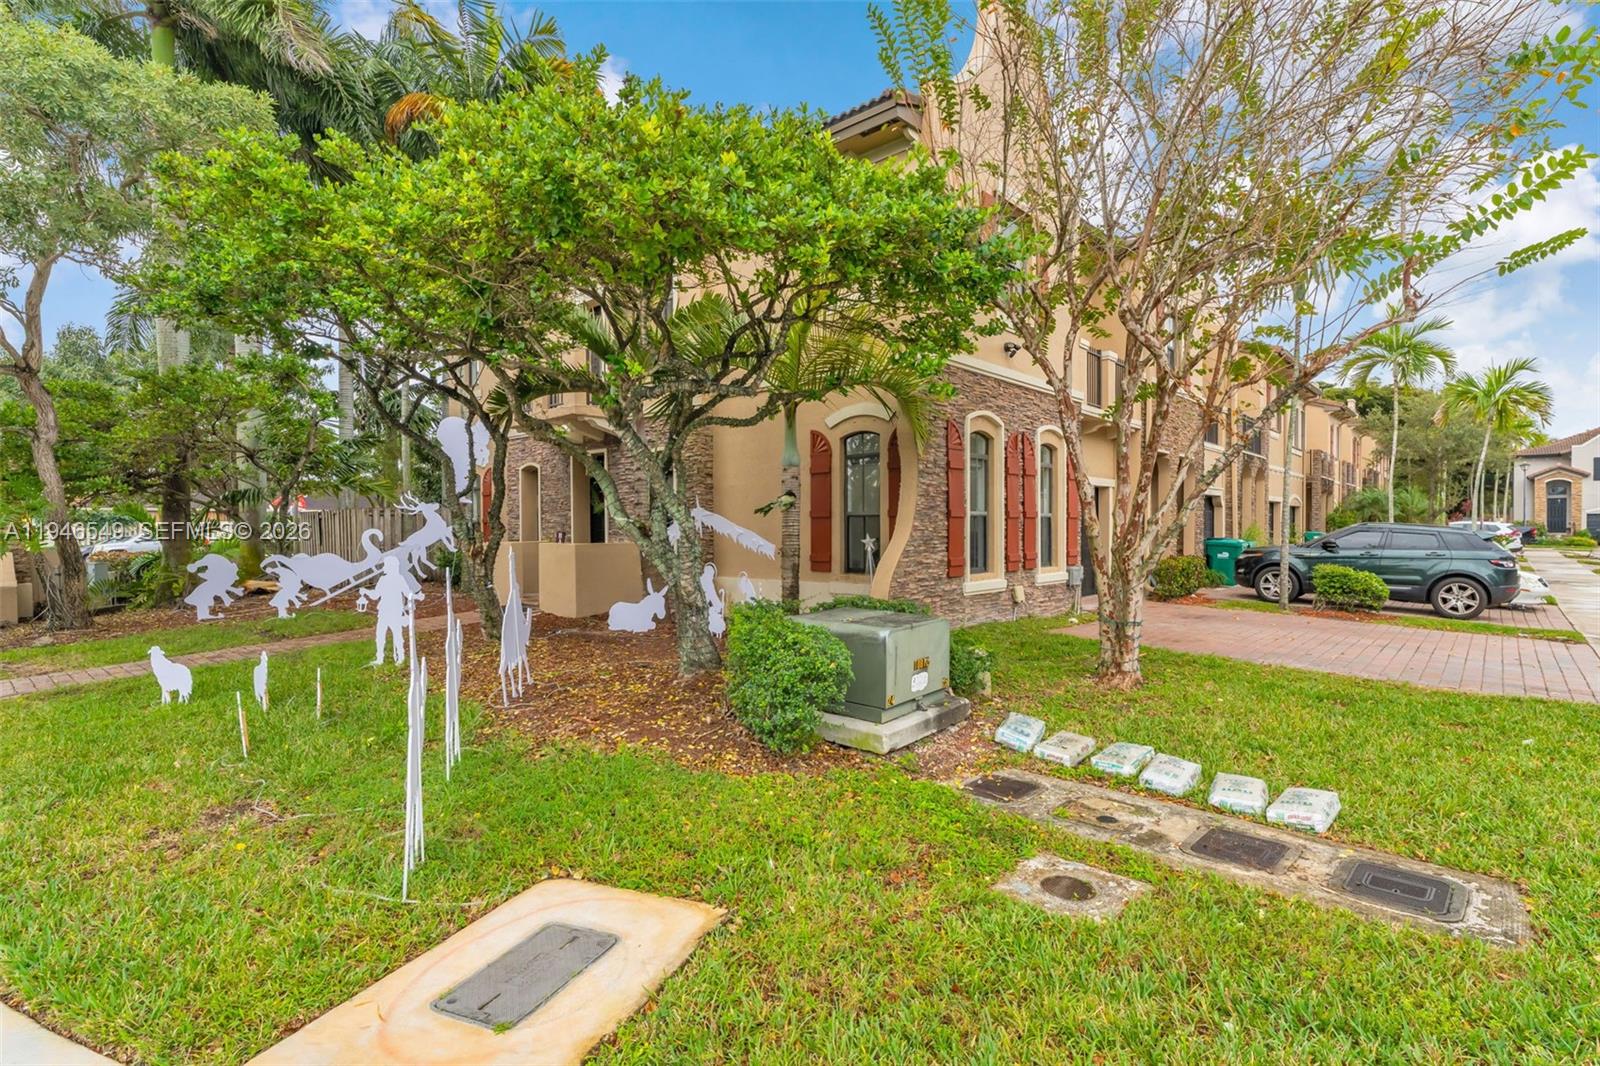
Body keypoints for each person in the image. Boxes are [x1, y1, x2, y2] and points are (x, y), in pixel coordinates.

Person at [357, 555, 421, 666]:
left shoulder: (399, 579)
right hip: (384, 612)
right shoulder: (383, 579)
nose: (384, 568)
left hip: (394, 611)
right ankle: (380, 658)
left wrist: (417, 596)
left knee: (397, 634)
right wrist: (366, 591)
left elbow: (407, 592)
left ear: (391, 566)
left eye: (386, 565)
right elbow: (376, 595)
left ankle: (400, 657)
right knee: (380, 635)